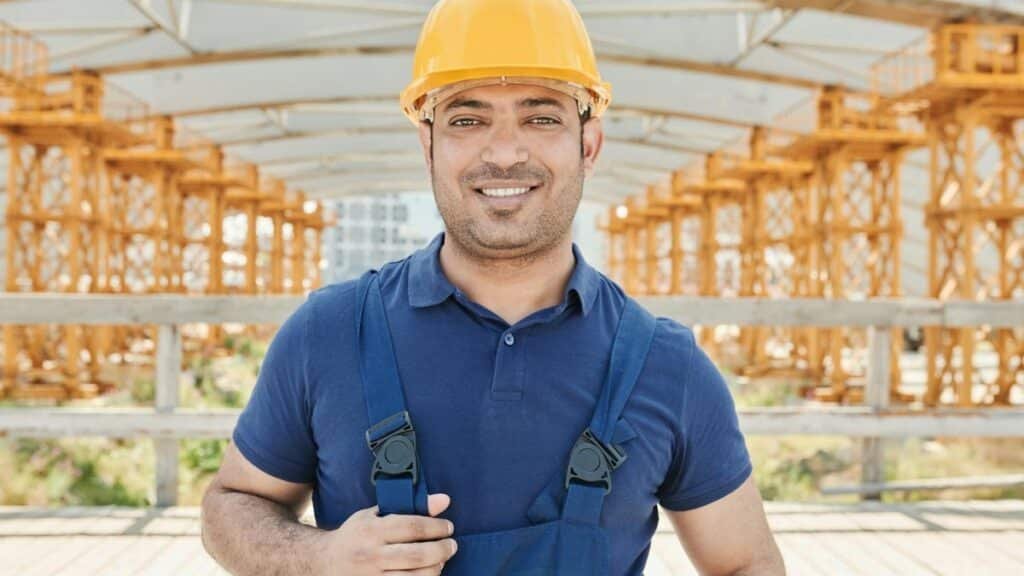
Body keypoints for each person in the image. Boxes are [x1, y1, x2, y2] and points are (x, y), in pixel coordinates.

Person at [200, 0, 784, 574]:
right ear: (428, 146)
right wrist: (320, 557)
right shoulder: (327, 334)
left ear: (589, 145)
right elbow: (230, 507)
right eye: (467, 119)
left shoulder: (667, 365)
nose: (504, 153)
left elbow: (748, 563)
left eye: (542, 116)